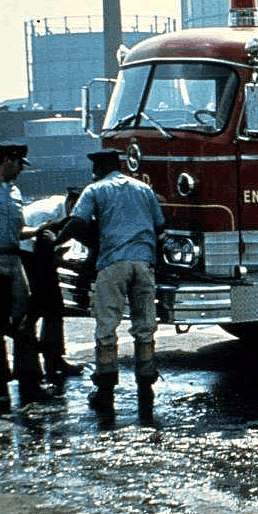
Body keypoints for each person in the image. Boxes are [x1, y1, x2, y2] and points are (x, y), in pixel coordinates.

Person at [54, 150, 164, 417]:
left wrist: (57, 241)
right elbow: (160, 223)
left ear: (99, 169)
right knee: (145, 326)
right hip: (143, 263)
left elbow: (78, 222)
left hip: (113, 263)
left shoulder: (94, 190)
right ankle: (146, 385)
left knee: (106, 326)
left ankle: (105, 390)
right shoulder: (143, 189)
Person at [0, 143, 56, 407]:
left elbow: (19, 230)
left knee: (25, 322)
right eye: (20, 164)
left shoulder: (15, 191)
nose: (21, 170)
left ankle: (29, 381)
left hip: (12, 259)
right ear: (8, 160)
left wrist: (39, 230)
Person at [20, 188, 85, 383]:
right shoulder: (47, 213)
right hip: (26, 254)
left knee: (55, 309)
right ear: (73, 203)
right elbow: (40, 248)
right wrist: (64, 263)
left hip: (41, 253)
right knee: (36, 310)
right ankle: (32, 366)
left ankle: (54, 359)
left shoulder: (69, 212)